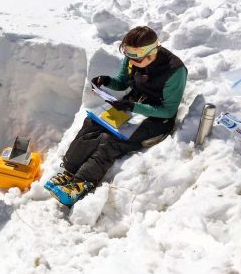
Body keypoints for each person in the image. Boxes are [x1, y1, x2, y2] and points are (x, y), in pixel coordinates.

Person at [45, 26, 187, 206]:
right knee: (92, 123)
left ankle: (81, 183)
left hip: (156, 119)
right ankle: (69, 170)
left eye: (136, 59)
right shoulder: (133, 57)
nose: (130, 62)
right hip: (131, 106)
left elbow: (168, 110)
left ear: (152, 54)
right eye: (129, 56)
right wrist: (108, 81)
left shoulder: (175, 71)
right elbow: (122, 82)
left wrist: (133, 106)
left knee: (110, 140)